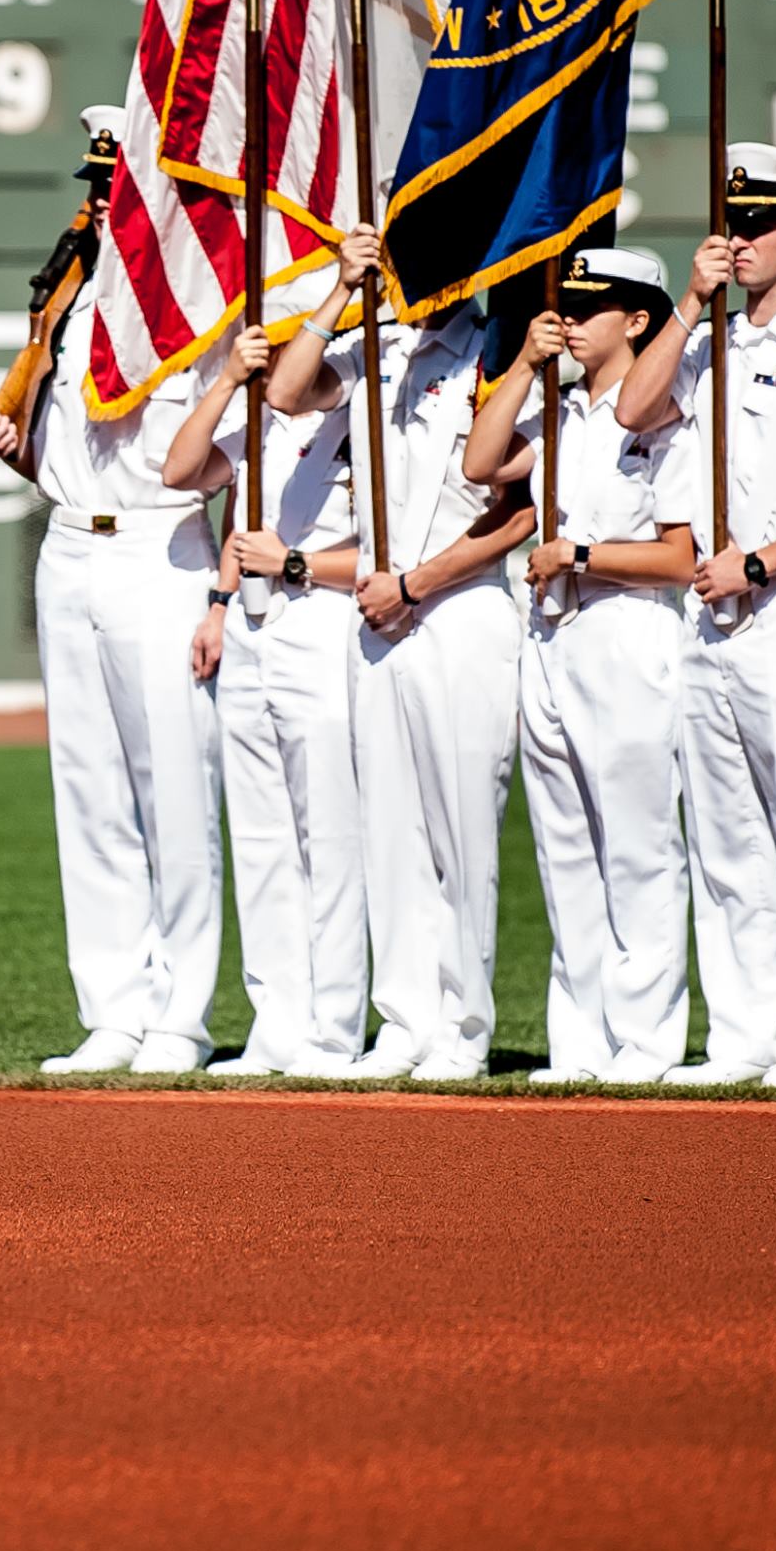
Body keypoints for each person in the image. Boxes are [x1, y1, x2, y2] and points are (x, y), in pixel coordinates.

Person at [0, 110, 230, 1077]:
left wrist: (221, 593)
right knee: (88, 788)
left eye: (115, 184)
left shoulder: (195, 305)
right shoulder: (72, 303)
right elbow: (62, 460)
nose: (98, 200)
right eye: (95, 183)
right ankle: (114, 1007)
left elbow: (222, 458)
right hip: (71, 543)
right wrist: (16, 447)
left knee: (174, 786)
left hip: (162, 547)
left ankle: (181, 1017)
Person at [616, 145, 776, 1089]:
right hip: (709, 621)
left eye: (762, 225)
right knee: (725, 842)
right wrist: (687, 303)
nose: (742, 238)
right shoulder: (709, 342)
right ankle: (743, 1035)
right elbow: (631, 409)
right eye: (734, 222)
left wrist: (764, 560)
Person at [269, 230, 531, 1082]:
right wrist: (340, 292)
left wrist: (418, 583)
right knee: (390, 829)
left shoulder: (494, 349)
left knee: (459, 829)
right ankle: (404, 1021)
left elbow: (523, 508)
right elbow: (287, 388)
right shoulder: (377, 345)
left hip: (455, 608)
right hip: (380, 620)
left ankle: (463, 1024)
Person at [463, 246, 702, 1085]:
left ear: (637, 320)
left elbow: (680, 558)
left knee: (636, 843)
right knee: (565, 843)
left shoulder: (667, 415)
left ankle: (646, 1038)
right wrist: (526, 364)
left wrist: (586, 553)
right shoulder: (561, 413)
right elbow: (481, 464)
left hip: (627, 633)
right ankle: (582, 1039)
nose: (571, 319)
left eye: (591, 307)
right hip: (554, 637)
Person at [162, 318, 370, 1078]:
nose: (286, 358)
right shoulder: (261, 424)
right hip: (251, 627)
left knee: (329, 837)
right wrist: (224, 382)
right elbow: (181, 471)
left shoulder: (367, 417)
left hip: (320, 620)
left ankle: (335, 1025)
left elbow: (385, 547)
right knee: (261, 839)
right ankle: (276, 1022)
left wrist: (296, 562)